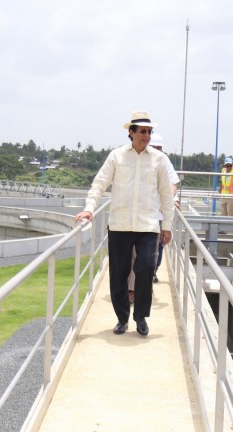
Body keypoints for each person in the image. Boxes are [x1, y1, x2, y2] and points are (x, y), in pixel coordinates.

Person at [74, 110, 174, 337]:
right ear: (131, 132)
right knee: (118, 273)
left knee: (146, 267)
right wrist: (90, 208)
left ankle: (140, 316)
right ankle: (121, 318)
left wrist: (166, 226)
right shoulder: (116, 156)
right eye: (142, 132)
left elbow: (166, 195)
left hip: (148, 225)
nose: (147, 136)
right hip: (119, 223)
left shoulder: (159, 160)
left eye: (149, 132)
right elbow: (99, 183)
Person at [128, 133, 180, 303]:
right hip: (139, 215)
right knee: (135, 254)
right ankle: (133, 290)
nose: (156, 150)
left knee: (152, 255)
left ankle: (144, 284)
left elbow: (173, 184)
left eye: (158, 148)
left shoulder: (163, 160)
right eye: (154, 147)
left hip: (157, 216)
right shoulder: (135, 158)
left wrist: (169, 200)